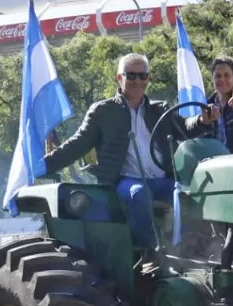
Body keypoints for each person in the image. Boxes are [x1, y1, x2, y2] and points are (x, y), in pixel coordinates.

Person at [41, 53, 215, 255]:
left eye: (143, 76)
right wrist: (45, 165)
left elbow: (185, 127)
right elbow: (78, 144)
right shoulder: (103, 111)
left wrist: (203, 120)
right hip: (124, 180)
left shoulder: (160, 110)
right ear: (119, 78)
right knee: (139, 194)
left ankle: (190, 250)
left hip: (159, 179)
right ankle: (149, 251)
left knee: (185, 194)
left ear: (148, 79)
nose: (137, 81)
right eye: (131, 76)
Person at [189, 56, 233, 154]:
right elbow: (196, 137)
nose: (222, 79)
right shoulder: (206, 105)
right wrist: (202, 122)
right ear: (212, 79)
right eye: (218, 76)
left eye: (226, 75)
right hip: (216, 161)